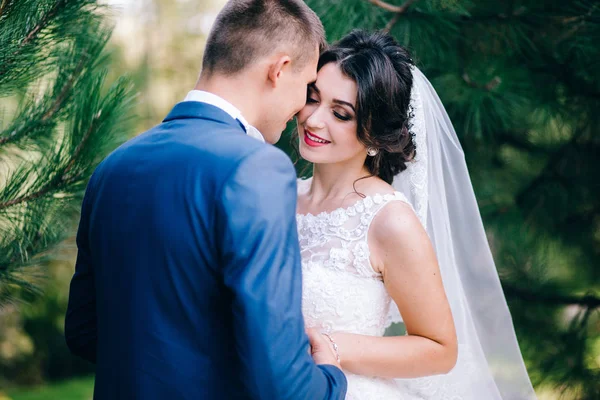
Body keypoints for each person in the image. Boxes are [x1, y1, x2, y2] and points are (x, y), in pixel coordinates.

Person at [64, 1, 347, 399]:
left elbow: (83, 332)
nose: (303, 107)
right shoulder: (258, 168)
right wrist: (332, 379)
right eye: (306, 87)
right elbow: (281, 385)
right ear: (279, 70)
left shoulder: (112, 168)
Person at [296, 30, 537, 399]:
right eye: (312, 99)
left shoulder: (388, 220)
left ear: (374, 133)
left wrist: (333, 346)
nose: (313, 121)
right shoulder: (279, 193)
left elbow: (440, 348)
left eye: (340, 113)